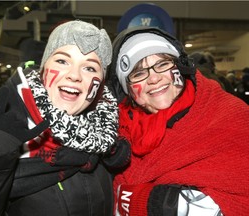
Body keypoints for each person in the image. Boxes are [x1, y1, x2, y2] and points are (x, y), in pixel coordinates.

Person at [0, 20, 130, 216]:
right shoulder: (2, 125)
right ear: (43, 68)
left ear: (100, 83)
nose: (74, 75)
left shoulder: (107, 134)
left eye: (90, 68)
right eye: (62, 61)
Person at [107, 26, 249, 216]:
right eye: (138, 74)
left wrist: (162, 203)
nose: (154, 78)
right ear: (129, 92)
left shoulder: (232, 116)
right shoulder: (117, 139)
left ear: (181, 67)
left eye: (163, 64)